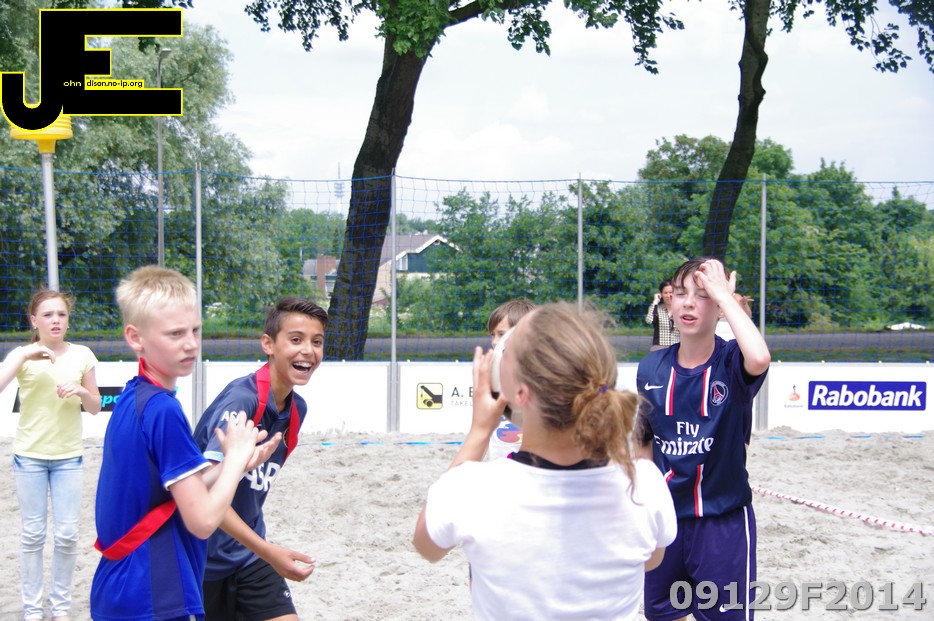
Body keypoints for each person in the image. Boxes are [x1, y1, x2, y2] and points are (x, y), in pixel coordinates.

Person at [414, 303, 678, 620]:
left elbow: (427, 546)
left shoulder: (471, 488)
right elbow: (651, 560)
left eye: (507, 350)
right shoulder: (643, 484)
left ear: (520, 393)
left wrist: (480, 430)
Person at [90, 266, 277, 621]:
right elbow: (202, 521)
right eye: (175, 333)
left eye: (195, 330)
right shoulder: (164, 410)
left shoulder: (134, 397)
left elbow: (175, 490)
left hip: (118, 586)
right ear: (135, 338)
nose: (191, 343)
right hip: (155, 591)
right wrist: (234, 460)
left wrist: (236, 465)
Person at [636, 258, 770, 621]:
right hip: (667, 520)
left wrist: (724, 295)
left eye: (702, 295)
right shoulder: (650, 368)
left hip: (722, 522)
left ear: (720, 306)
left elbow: (759, 357)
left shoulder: (731, 361)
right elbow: (646, 439)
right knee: (664, 614)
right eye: (680, 294)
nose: (689, 303)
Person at [192, 296, 328, 621]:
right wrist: (268, 552)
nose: (308, 350)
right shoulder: (242, 401)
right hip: (199, 560)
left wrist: (261, 550)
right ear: (268, 344)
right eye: (296, 339)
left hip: (248, 554)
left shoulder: (296, 410)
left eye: (317, 341)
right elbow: (204, 494)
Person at [0, 289, 101, 621]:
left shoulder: (83, 354)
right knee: (32, 535)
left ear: (68, 319)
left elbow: (95, 407)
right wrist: (23, 356)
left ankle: (60, 607)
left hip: (69, 457)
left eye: (61, 314)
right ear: (34, 321)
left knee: (67, 535)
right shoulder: (22, 355)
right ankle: (32, 609)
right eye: (47, 315)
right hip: (28, 456)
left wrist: (81, 390)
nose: (55, 320)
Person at [485, 298, 536, 461]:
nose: (494, 341)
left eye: (501, 334)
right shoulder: (494, 374)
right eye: (492, 335)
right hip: (500, 468)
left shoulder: (542, 380)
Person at [645, 279, 680, 351]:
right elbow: (649, 320)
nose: (668, 295)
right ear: (661, 294)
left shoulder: (681, 310)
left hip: (677, 348)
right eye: (665, 293)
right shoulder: (657, 309)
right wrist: (655, 302)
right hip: (659, 348)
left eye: (671, 292)